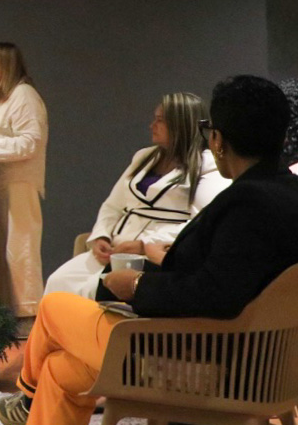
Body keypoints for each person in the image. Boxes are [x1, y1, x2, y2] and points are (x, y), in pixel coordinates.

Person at [0, 76, 298, 425]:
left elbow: (216, 295)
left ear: (218, 140)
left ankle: (26, 402)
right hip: (252, 364)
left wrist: (136, 288)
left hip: (198, 364)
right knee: (64, 371)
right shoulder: (285, 195)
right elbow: (228, 283)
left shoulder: (248, 204)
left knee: (54, 307)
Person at [44, 94, 227, 299]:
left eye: (159, 120)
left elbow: (200, 224)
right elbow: (113, 205)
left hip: (153, 255)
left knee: (91, 290)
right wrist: (101, 236)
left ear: (180, 124)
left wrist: (144, 245)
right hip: (117, 248)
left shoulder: (206, 165)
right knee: (57, 282)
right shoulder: (143, 157)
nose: (152, 125)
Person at [0, 42, 49, 325]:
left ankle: (28, 319)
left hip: (16, 185)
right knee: (0, 256)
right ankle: (9, 317)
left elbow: (30, 143)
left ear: (4, 65)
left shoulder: (24, 96)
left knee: (19, 253)